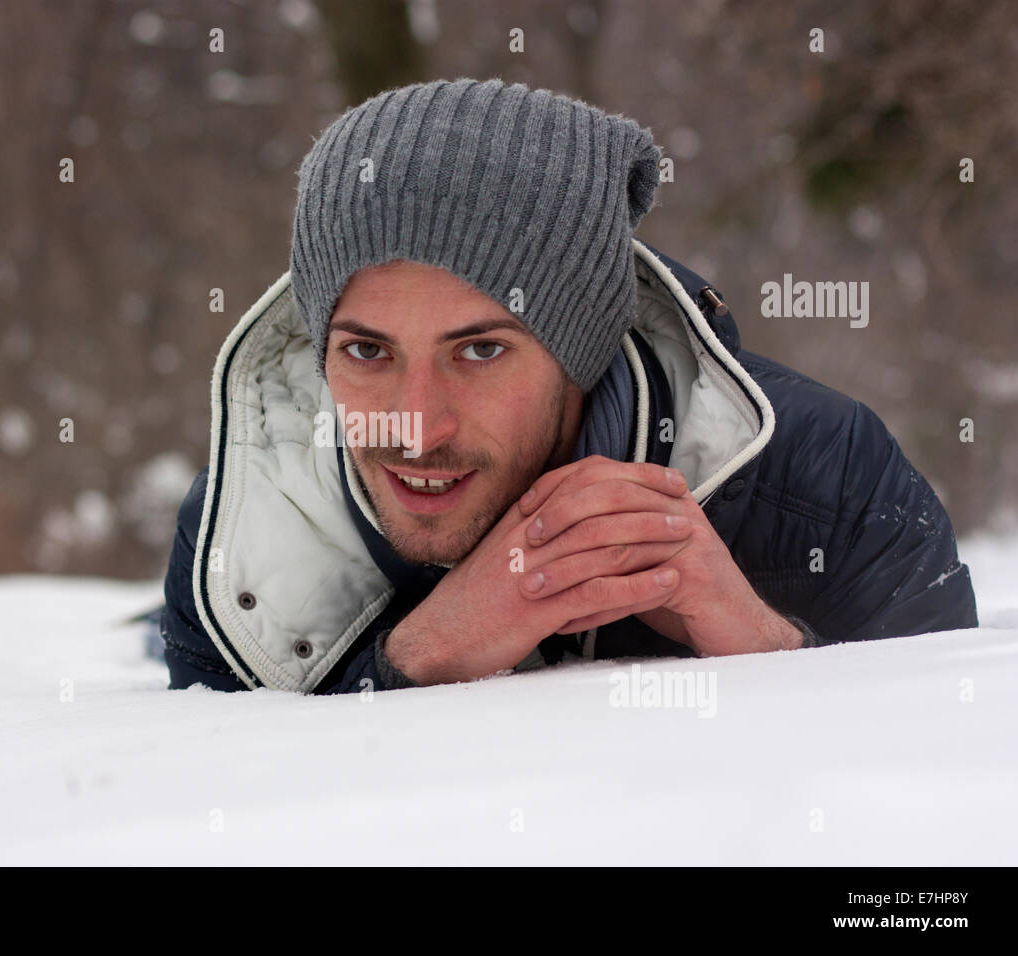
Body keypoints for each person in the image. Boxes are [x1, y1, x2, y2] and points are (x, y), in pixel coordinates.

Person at [159, 77, 977, 694]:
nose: (416, 428)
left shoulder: (828, 480)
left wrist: (762, 648)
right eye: (367, 352)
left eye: (479, 352)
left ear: (580, 349)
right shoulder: (248, 540)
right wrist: (415, 662)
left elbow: (948, 794)